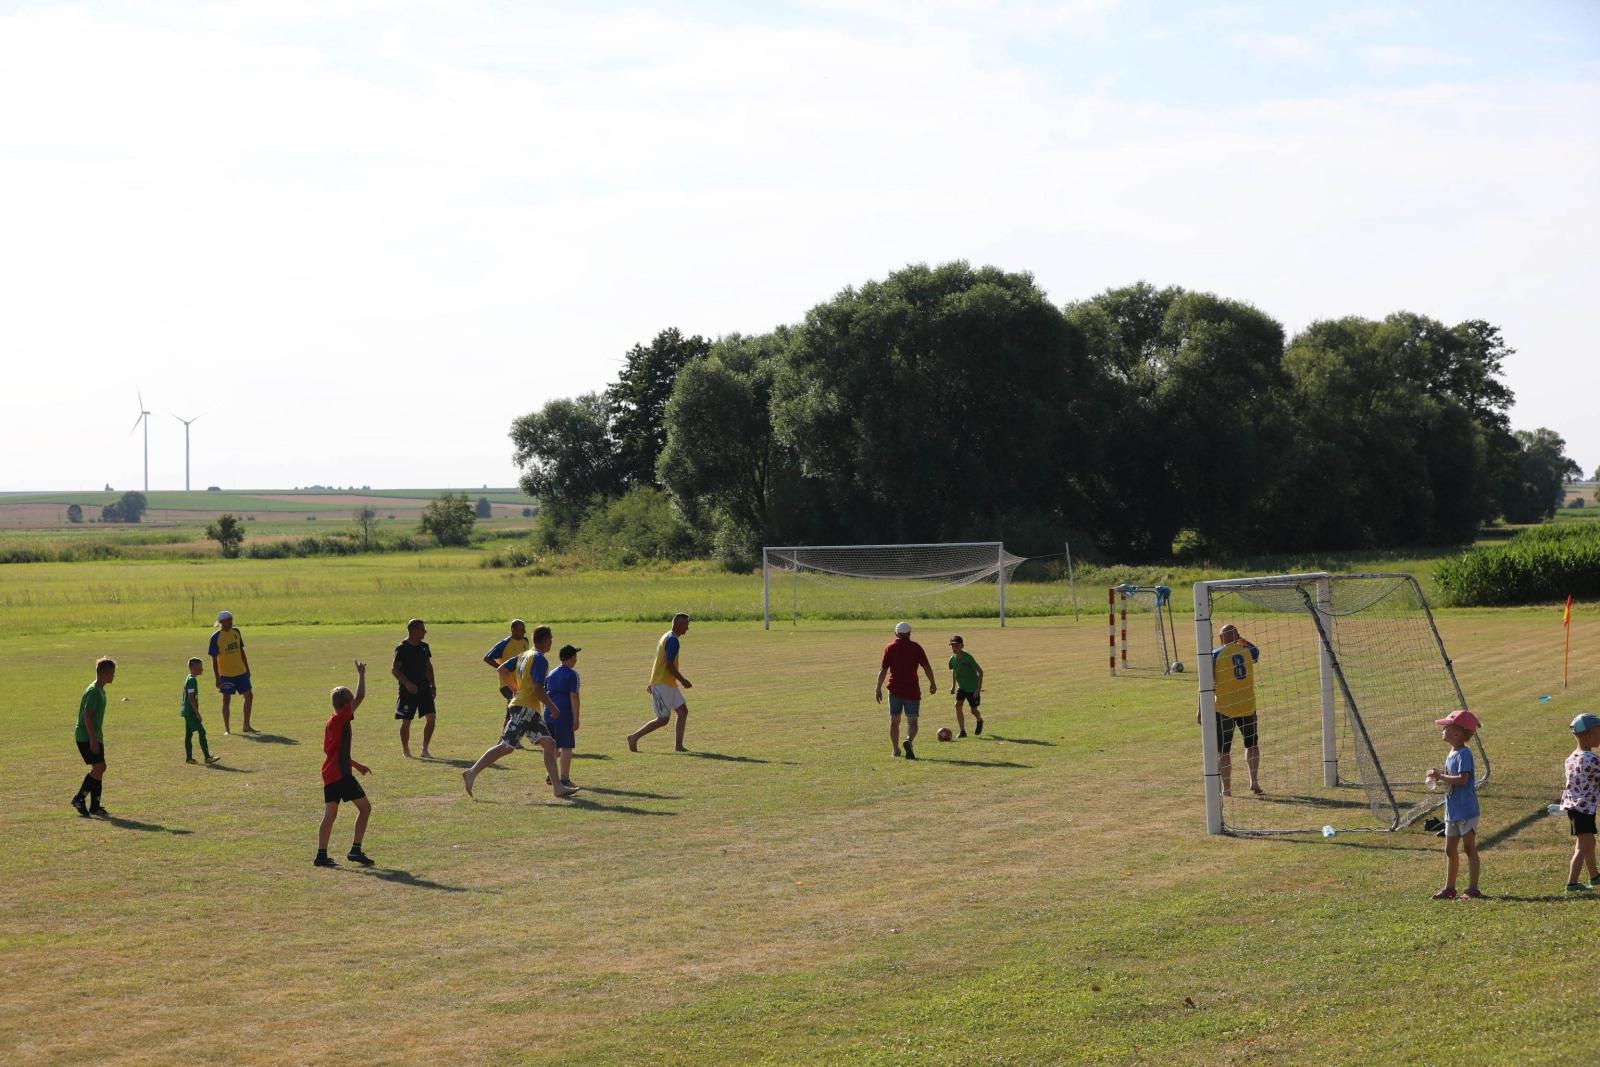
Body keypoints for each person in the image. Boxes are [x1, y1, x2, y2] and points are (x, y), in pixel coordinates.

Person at [461, 626, 578, 799]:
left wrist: (514, 687)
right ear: (545, 640)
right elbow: (538, 689)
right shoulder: (539, 659)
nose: (552, 641)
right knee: (506, 747)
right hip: (525, 708)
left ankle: (558, 788)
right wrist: (552, 707)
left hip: (527, 708)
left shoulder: (525, 655)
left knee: (549, 744)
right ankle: (471, 772)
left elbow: (501, 670)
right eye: (551, 638)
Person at [317, 661, 375, 868]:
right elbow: (360, 697)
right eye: (350, 704)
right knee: (365, 808)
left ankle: (321, 855)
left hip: (330, 773)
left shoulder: (331, 721)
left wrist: (356, 764)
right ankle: (355, 850)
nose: (353, 707)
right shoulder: (342, 718)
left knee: (330, 815)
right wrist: (361, 674)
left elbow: (333, 752)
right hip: (341, 775)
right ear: (345, 706)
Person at [1425, 709, 1483, 900]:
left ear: (1457, 733)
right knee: (1450, 849)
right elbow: (1452, 776)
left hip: (1466, 810)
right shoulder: (1452, 753)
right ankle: (1450, 888)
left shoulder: (1464, 754)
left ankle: (1473, 889)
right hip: (1453, 810)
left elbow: (1462, 780)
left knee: (1469, 849)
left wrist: (1441, 776)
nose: (1442, 730)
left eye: (1446, 727)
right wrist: (1438, 774)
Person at [1200, 623, 1261, 797]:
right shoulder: (1249, 651)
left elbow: (1206, 684)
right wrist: (1240, 639)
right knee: (1252, 745)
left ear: (1220, 639)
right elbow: (1257, 653)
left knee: (1223, 750)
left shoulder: (1214, 654)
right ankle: (1254, 780)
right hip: (1247, 706)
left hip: (1224, 708)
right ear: (1238, 637)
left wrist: (1200, 709)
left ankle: (1226, 789)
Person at [628, 613, 692, 753]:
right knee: (663, 719)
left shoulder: (667, 636)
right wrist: (683, 680)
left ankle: (679, 746)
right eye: (686, 625)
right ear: (678, 625)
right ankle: (634, 737)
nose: (687, 628)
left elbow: (659, 661)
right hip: (663, 684)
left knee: (682, 711)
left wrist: (652, 681)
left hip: (667, 683)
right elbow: (669, 664)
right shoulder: (672, 640)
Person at [876, 621, 936, 760]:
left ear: (896, 633)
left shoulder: (889, 648)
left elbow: (883, 670)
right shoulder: (916, 647)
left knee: (894, 721)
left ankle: (895, 750)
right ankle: (908, 741)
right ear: (909, 633)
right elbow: (926, 667)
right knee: (913, 722)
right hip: (912, 690)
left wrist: (878, 688)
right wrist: (932, 683)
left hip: (894, 690)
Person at [71, 657, 116, 817]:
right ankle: (79, 799)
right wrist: (92, 739)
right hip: (86, 735)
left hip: (94, 734)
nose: (114, 676)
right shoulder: (94, 691)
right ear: (105, 673)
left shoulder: (100, 689)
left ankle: (95, 806)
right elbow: (87, 716)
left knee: (99, 768)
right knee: (99, 767)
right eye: (112, 673)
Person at [1560, 713, 1600, 893]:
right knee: (1583, 846)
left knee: (1588, 843)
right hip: (1583, 809)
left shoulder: (1572, 757)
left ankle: (1595, 877)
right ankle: (1572, 884)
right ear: (1589, 736)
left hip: (1575, 808)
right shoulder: (1591, 760)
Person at [392, 618, 437, 758]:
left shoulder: (425, 647)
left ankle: (425, 749)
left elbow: (428, 666)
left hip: (424, 689)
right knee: (406, 721)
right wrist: (407, 683)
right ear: (413, 630)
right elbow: (395, 670)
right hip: (408, 691)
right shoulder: (402, 648)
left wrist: (433, 685)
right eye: (422, 629)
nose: (425, 631)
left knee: (431, 718)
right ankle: (406, 750)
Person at [209, 609, 257, 734]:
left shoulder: (236, 632)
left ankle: (246, 725)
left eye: (231, 620)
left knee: (249, 696)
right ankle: (227, 729)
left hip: (241, 672)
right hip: (226, 674)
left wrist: (247, 669)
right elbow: (214, 660)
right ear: (221, 622)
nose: (230, 623)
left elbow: (241, 652)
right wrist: (217, 678)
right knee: (226, 700)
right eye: (227, 621)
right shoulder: (215, 638)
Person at [544, 644, 582, 787]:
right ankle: (564, 778)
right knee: (566, 747)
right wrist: (576, 718)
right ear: (572, 658)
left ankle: (550, 776)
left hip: (548, 713)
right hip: (564, 714)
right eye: (575, 656)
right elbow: (574, 697)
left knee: (552, 747)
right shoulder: (572, 675)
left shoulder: (551, 673)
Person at [181, 656, 220, 765]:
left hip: (186, 711)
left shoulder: (189, 677)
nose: (202, 669)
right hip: (190, 712)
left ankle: (189, 758)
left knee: (189, 734)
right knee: (202, 732)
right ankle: (207, 757)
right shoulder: (192, 680)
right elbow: (191, 698)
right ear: (193, 668)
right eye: (200, 667)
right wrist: (197, 713)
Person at [483, 619, 530, 704]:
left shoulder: (525, 641)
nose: (524, 632)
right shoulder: (504, 644)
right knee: (515, 704)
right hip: (506, 683)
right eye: (521, 630)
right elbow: (487, 658)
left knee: (515, 706)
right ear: (513, 629)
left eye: (524, 629)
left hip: (520, 683)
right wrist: (502, 668)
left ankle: (508, 718)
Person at [947, 634, 985, 738]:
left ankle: (979, 720)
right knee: (957, 705)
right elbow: (954, 671)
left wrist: (978, 689)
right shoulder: (952, 659)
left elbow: (980, 672)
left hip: (972, 688)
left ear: (962, 646)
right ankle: (962, 731)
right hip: (962, 688)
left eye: (957, 645)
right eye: (952, 646)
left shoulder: (968, 658)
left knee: (973, 710)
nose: (954, 648)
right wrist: (953, 686)